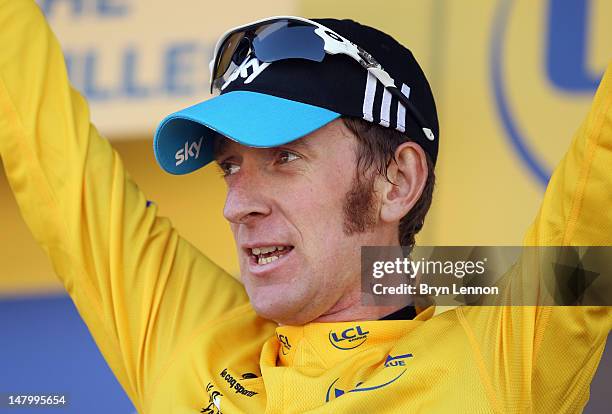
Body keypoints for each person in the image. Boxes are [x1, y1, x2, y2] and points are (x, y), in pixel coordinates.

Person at [0, 1, 610, 413]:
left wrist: (415, 271)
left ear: (396, 182)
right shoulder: (197, 344)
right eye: (230, 166)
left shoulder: (496, 361)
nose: (237, 205)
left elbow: (592, 213)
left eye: (285, 157)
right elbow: (44, 139)